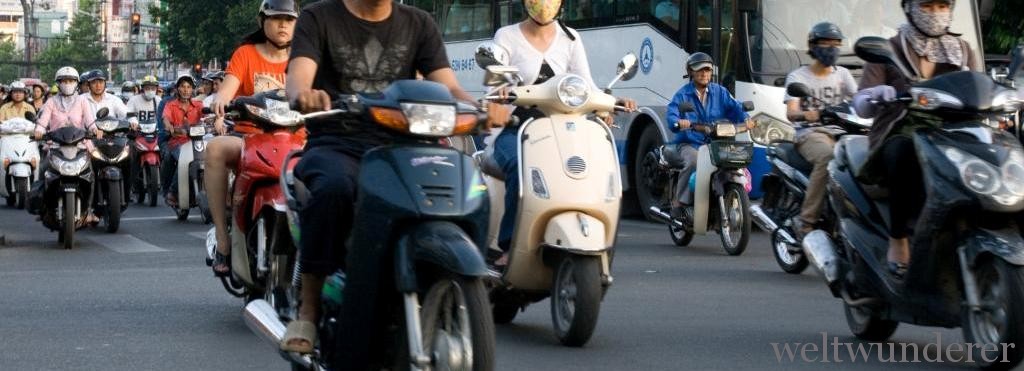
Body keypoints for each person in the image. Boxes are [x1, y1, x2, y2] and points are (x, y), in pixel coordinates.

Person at [279, 0, 501, 362]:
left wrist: (479, 108)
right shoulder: (318, 18)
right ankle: (308, 311)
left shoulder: (420, 23)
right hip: (338, 142)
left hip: (405, 146)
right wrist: (304, 94)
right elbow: (299, 78)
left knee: (465, 188)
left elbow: (448, 86)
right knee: (333, 189)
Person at [489, 0, 636, 265]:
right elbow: (495, 81)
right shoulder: (506, 36)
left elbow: (585, 84)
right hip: (517, 129)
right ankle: (510, 245)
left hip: (561, 130)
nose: (544, 3)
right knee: (518, 166)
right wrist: (500, 90)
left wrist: (610, 102)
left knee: (587, 167)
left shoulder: (570, 38)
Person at [852, 0, 980, 279]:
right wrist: (877, 95)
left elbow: (978, 88)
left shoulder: (963, 50)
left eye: (942, 5)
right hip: (900, 131)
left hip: (952, 133)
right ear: (909, 7)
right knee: (904, 151)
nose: (935, 12)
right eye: (927, 5)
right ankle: (898, 239)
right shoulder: (889, 48)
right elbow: (860, 104)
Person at [207, 0, 297, 277]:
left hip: (296, 142)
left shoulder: (303, 58)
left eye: (289, 19)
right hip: (250, 139)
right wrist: (221, 102)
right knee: (214, 150)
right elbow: (228, 89)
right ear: (262, 22)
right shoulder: (245, 54)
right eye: (276, 18)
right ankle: (223, 239)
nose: (283, 24)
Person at [783, 22, 857, 236]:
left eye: (836, 44)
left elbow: (859, 102)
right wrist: (808, 114)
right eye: (825, 43)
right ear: (813, 46)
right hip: (810, 133)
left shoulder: (843, 74)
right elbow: (791, 112)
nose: (831, 48)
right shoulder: (798, 77)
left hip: (844, 132)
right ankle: (806, 221)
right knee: (828, 157)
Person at [664, 52, 753, 221]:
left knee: (734, 161)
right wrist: (678, 122)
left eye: (707, 70)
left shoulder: (720, 92)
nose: (704, 74)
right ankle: (679, 203)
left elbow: (736, 108)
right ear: (690, 72)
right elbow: (672, 115)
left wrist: (746, 119)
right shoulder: (682, 95)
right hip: (690, 143)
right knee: (694, 161)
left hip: (716, 144)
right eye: (700, 70)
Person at [29, 67, 100, 217]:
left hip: (80, 144)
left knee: (91, 174)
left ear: (76, 83)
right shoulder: (51, 102)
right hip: (55, 145)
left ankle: (89, 210)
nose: (67, 84)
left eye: (71, 81)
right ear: (58, 83)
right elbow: (43, 121)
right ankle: (44, 206)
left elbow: (89, 120)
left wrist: (95, 130)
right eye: (64, 81)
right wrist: (39, 130)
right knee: (43, 170)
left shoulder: (83, 101)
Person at [160, 74, 204, 207]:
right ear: (177, 89)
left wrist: (216, 119)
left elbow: (207, 115)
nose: (186, 90)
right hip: (177, 142)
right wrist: (169, 126)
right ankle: (172, 192)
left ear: (192, 90)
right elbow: (165, 118)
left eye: (189, 87)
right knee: (184, 161)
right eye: (183, 87)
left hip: (196, 142)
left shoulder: (198, 105)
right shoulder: (170, 105)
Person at [127, 76, 162, 198]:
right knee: (129, 157)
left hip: (155, 134)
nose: (150, 90)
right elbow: (129, 113)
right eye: (148, 87)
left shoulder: (158, 100)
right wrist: (133, 122)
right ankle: (129, 185)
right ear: (143, 88)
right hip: (137, 135)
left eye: (153, 88)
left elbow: (164, 117)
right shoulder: (134, 100)